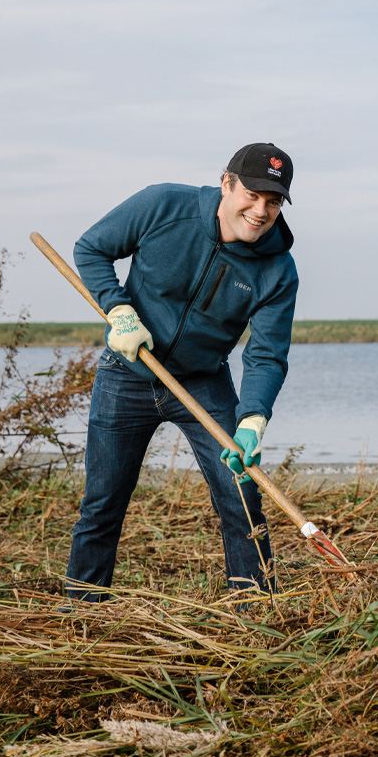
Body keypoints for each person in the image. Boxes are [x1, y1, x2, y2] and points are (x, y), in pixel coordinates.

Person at [65, 143, 298, 603]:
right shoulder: (164, 205)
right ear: (226, 183)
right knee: (103, 501)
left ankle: (255, 607)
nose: (260, 210)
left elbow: (266, 354)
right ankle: (82, 612)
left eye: (273, 201)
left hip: (203, 381)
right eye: (252, 194)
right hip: (126, 373)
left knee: (241, 494)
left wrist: (252, 419)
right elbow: (90, 248)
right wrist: (119, 310)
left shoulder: (278, 270)